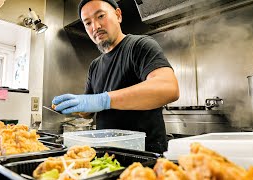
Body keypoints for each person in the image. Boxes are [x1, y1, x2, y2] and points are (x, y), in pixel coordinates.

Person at [52, 0, 179, 153]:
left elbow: (168, 88)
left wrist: (103, 100)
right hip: (106, 154)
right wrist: (75, 106)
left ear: (118, 15)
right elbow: (88, 113)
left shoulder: (140, 46)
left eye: (100, 16)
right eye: (87, 23)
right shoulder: (95, 66)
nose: (95, 27)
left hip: (144, 155)